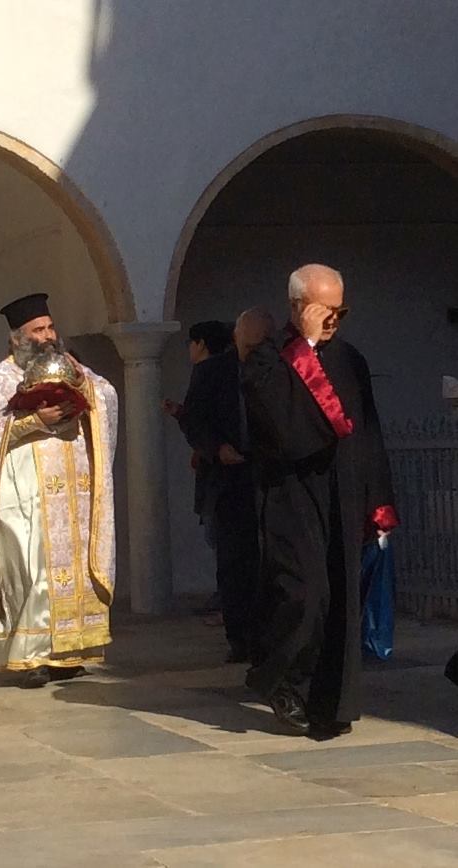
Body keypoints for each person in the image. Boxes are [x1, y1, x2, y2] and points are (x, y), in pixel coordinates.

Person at [240, 264, 397, 739]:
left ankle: (329, 703)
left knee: (340, 600)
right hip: (291, 497)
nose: (333, 320)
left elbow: (367, 432)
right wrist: (303, 349)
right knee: (304, 594)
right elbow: (286, 428)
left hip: (342, 495)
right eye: (323, 310)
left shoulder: (350, 359)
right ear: (297, 307)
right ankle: (277, 677)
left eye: (340, 310)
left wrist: (379, 500)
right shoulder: (268, 360)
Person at [0, 293, 118, 687]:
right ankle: (29, 656)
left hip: (71, 493)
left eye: (49, 328)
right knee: (30, 569)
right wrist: (33, 420)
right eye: (36, 331)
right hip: (22, 494)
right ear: (16, 338)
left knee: (71, 569)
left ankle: (67, 653)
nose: (46, 336)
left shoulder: (71, 368)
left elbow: (106, 395)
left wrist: (86, 388)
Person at [179, 311, 272, 663]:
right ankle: (241, 637)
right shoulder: (213, 372)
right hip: (229, 480)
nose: (254, 350)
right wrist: (216, 448)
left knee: (274, 560)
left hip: (270, 477)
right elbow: (194, 419)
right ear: (236, 338)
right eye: (249, 343)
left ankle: (271, 633)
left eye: (261, 343)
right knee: (235, 561)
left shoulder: (278, 367)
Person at [162, 320, 234, 619]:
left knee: (221, 535)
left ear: (201, 343)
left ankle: (227, 598)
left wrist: (210, 447)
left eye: (191, 343)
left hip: (220, 470)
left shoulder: (207, 373)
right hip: (217, 463)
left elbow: (200, 420)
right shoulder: (228, 371)